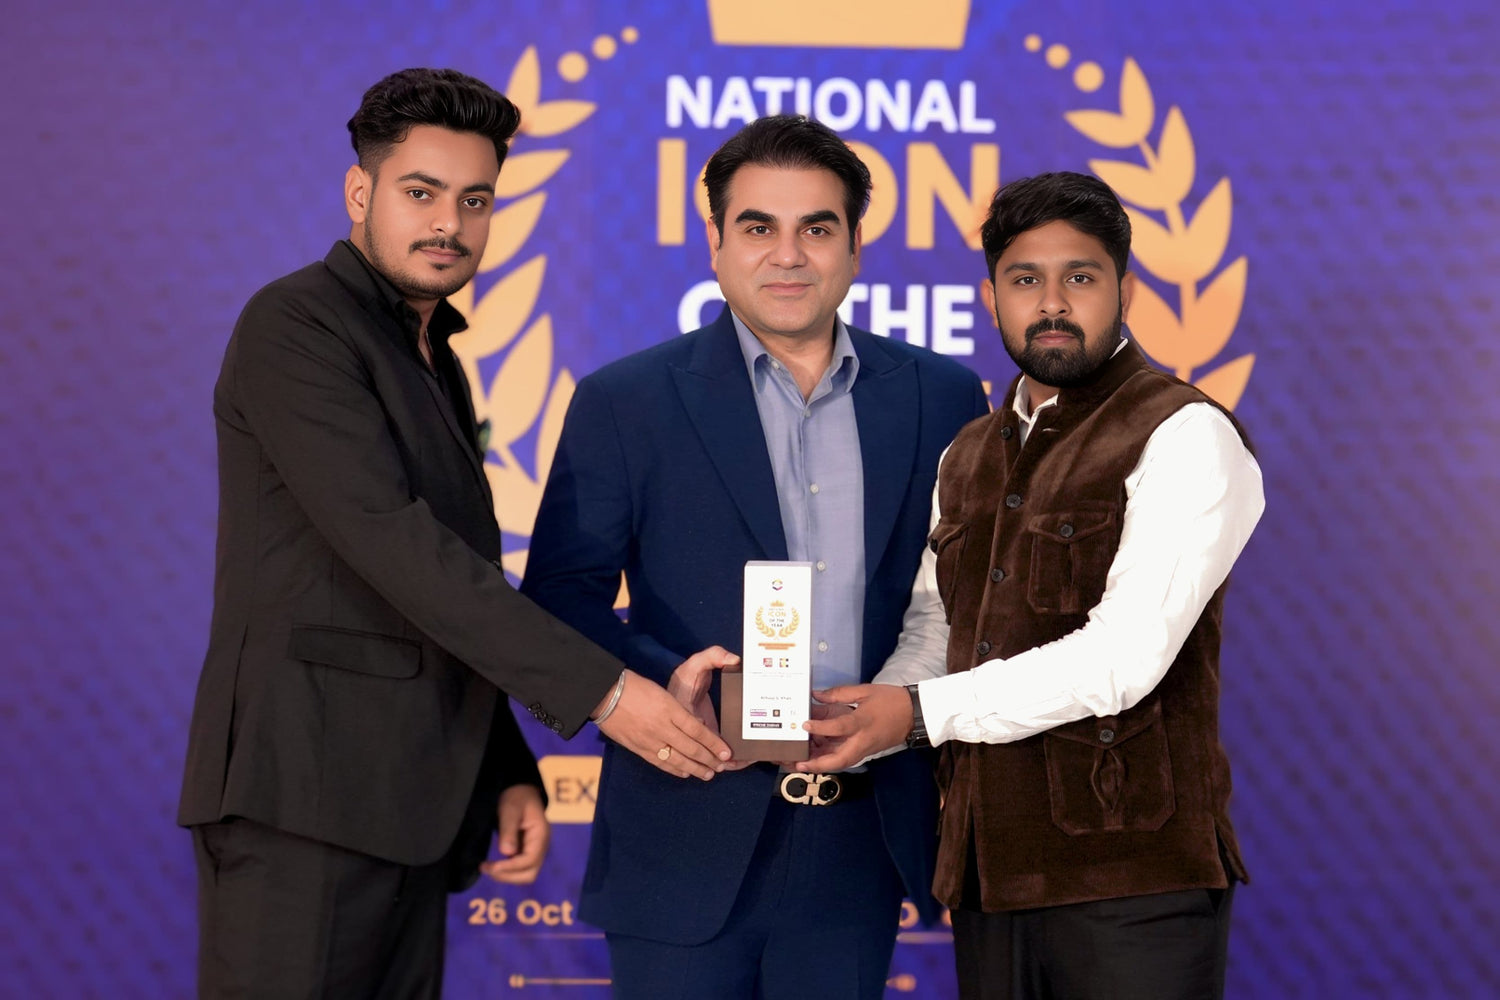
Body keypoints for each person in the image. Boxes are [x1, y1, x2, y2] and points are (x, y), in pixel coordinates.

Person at [177, 67, 731, 999]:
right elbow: (396, 547)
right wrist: (605, 692)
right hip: (301, 800)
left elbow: (450, 585)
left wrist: (502, 766)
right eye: (421, 193)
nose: (450, 223)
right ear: (361, 193)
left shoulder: (435, 355)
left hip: (407, 805)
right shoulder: (295, 324)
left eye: (475, 200)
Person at [520, 114, 989, 999]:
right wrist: (663, 679)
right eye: (758, 226)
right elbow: (557, 600)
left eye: (817, 227)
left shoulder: (943, 396)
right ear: (716, 242)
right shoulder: (625, 401)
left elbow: (962, 597)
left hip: (860, 842)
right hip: (681, 829)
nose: (789, 255)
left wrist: (902, 707)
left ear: (855, 245)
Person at [800, 171, 1265, 1000]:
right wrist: (861, 716)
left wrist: (916, 714)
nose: (1051, 303)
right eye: (1025, 279)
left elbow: (1123, 659)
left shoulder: (1185, 432)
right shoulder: (968, 452)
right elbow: (938, 627)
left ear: (1125, 290)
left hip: (1134, 882)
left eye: (1079, 277)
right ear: (991, 299)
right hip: (988, 876)